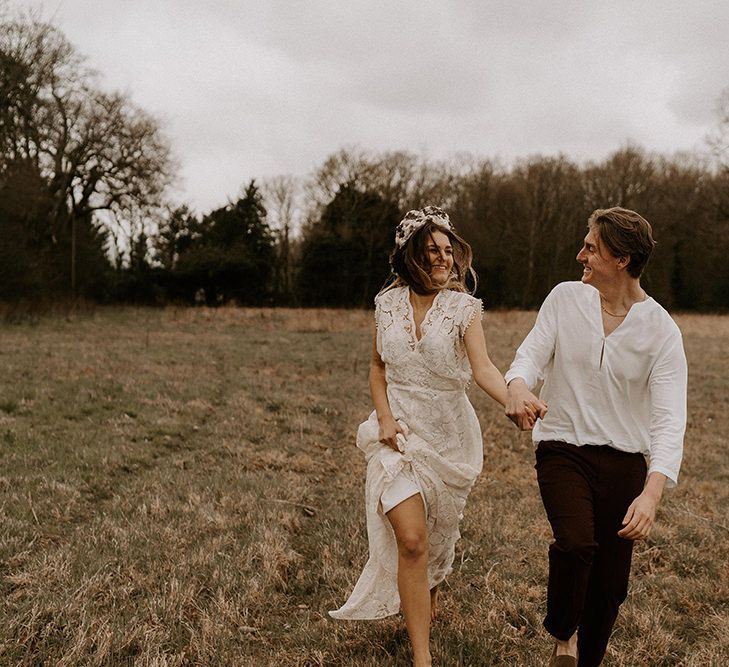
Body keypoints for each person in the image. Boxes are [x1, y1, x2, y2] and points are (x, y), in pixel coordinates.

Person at [329, 206, 513, 667]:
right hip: (397, 435)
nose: (443, 259)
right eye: (433, 250)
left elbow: (482, 367)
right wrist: (386, 419)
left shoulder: (464, 310)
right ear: (410, 254)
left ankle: (429, 588)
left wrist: (512, 398)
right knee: (412, 539)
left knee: (436, 535)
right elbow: (377, 368)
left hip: (450, 439)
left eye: (449, 251)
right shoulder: (386, 304)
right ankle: (422, 657)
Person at [505, 207, 687, 667]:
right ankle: (564, 633)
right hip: (562, 447)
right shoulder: (565, 298)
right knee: (577, 542)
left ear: (621, 259)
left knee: (610, 587)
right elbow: (530, 354)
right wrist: (519, 386)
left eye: (591, 247)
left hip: (626, 462)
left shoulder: (662, 330)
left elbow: (669, 420)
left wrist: (651, 493)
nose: (580, 254)